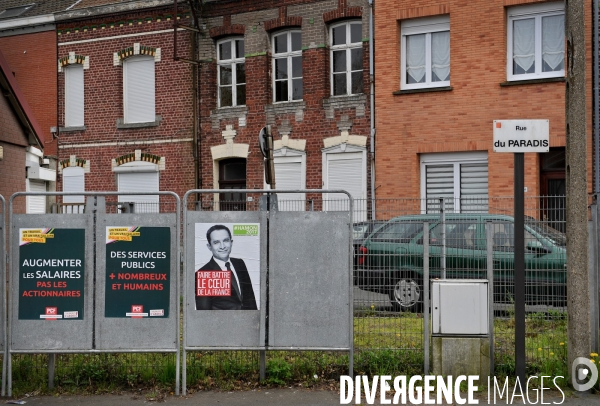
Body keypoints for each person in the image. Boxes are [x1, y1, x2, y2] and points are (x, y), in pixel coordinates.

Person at [195, 224, 257, 310]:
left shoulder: (239, 263)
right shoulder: (203, 273)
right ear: (209, 247)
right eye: (216, 242)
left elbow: (250, 299)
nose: (222, 246)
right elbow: (204, 312)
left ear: (231, 243)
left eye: (226, 240)